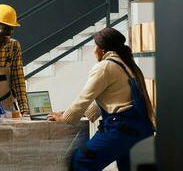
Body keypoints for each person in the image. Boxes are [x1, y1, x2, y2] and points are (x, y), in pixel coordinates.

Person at [47, 27, 156, 171]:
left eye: (95, 46)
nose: (94, 50)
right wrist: (87, 114)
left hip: (121, 129)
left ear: (102, 49)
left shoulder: (105, 66)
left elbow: (85, 97)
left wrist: (65, 118)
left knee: (82, 161)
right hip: (142, 130)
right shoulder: (127, 64)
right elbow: (113, 96)